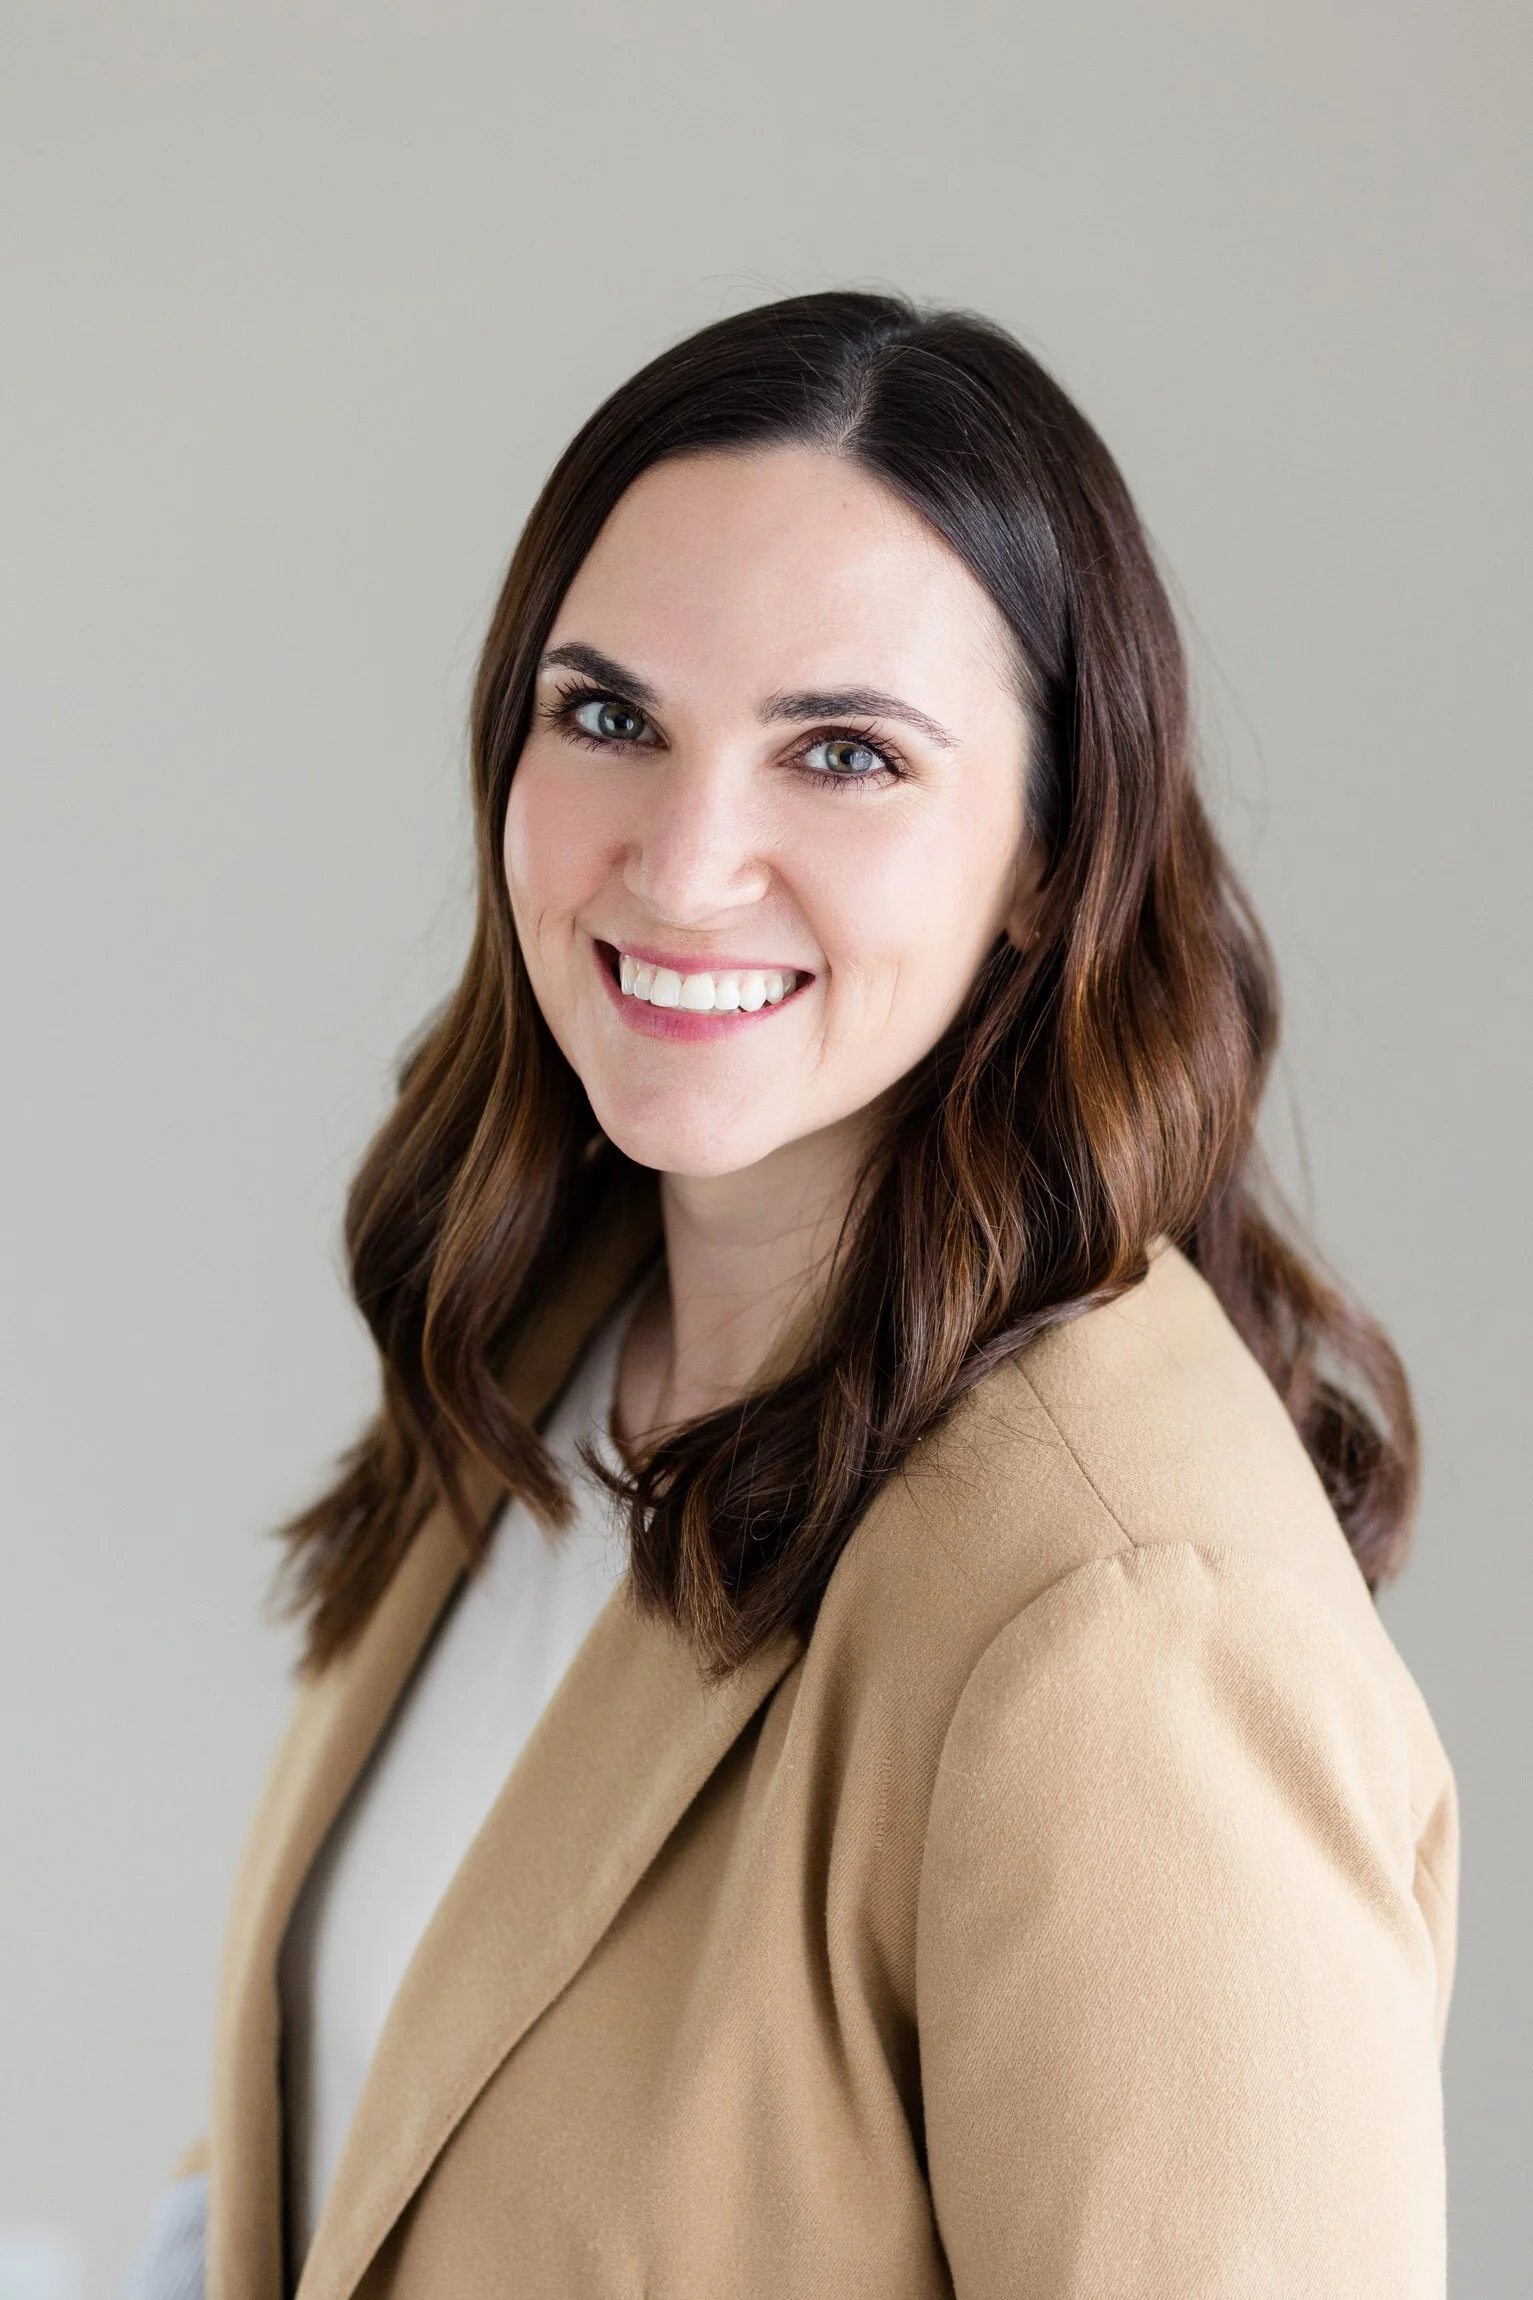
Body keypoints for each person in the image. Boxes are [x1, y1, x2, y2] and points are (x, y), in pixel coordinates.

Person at [129, 290, 1458, 2300]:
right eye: (608, 716)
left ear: (1043, 854)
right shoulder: (541, 1328)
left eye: (840, 753)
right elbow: (351, 2159)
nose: (682, 862)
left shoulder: (1131, 1637)